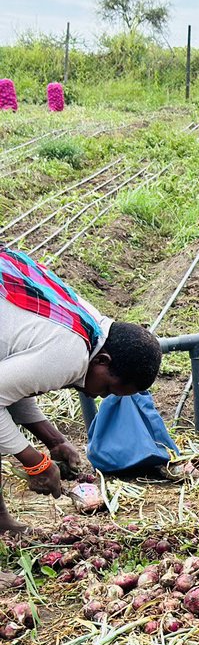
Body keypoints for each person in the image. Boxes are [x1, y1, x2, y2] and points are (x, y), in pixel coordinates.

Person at [0, 247, 161, 584]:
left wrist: (53, 440)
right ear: (103, 363)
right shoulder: (71, 354)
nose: (101, 396)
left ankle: (2, 525)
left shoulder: (92, 328)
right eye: (110, 389)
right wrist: (34, 462)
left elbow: (10, 384)